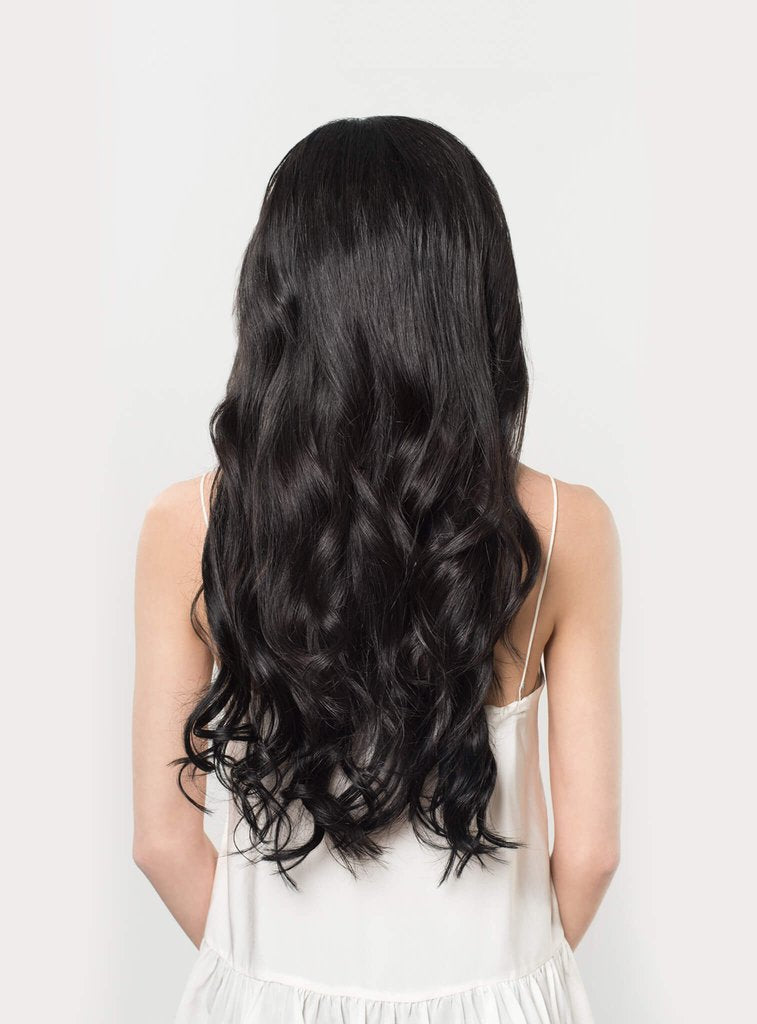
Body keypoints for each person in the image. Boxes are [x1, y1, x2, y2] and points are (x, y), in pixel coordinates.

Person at [132, 115, 622, 1023]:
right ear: (473, 298)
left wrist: (269, 977)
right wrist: (502, 977)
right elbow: (591, 854)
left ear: (279, 296)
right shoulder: (565, 527)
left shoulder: (188, 523)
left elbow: (161, 843)